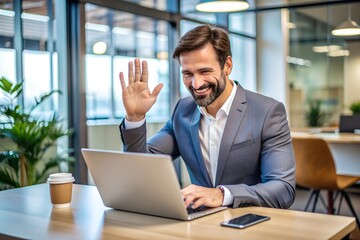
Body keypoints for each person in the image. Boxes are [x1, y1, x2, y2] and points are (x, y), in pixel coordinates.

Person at [119, 24, 295, 210]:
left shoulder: (267, 111)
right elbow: (141, 165)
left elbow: (283, 189)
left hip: (252, 224)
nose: (196, 83)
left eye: (204, 71)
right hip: (198, 224)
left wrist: (221, 194)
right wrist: (135, 117)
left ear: (227, 66)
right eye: (188, 74)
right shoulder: (182, 110)